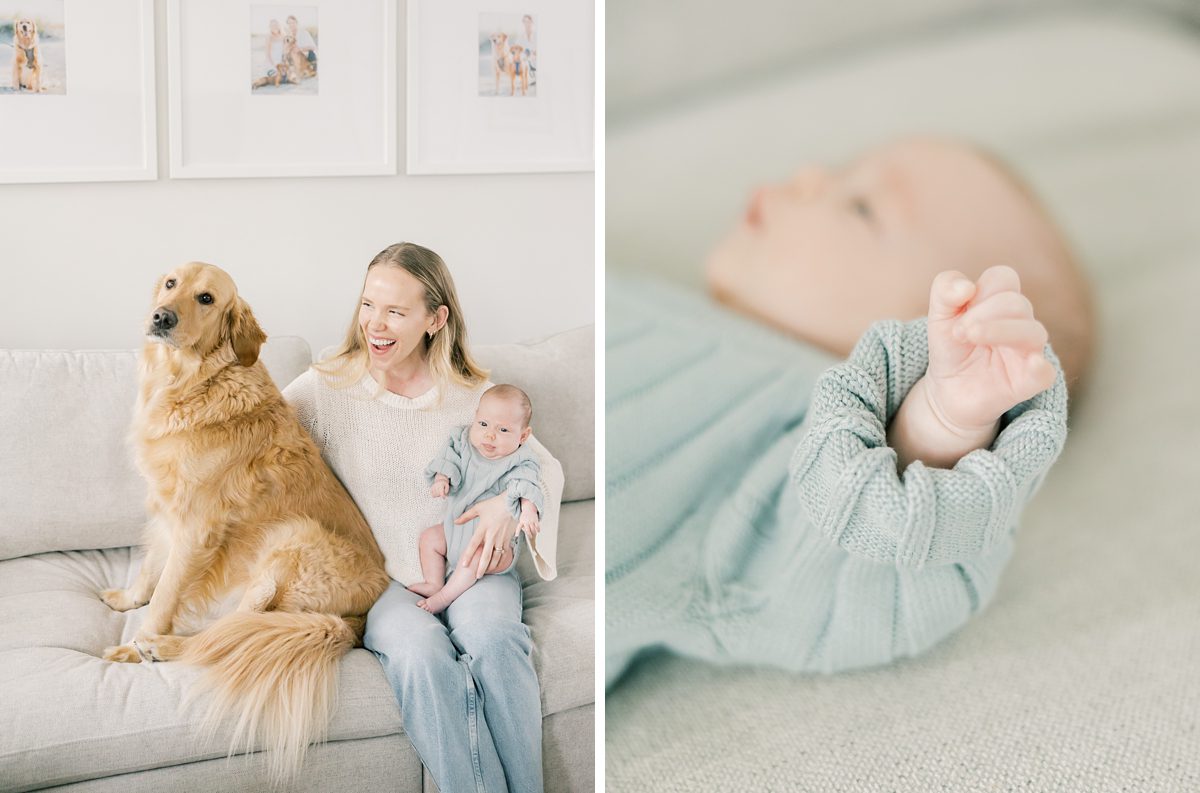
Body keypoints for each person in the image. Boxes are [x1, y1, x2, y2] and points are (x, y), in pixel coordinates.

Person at [606, 137, 1094, 687]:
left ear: (926, 337)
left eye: (861, 206)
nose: (810, 173)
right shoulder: (657, 297)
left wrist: (941, 421)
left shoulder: (805, 433)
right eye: (842, 173)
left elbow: (861, 546)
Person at [283, 243, 562, 792]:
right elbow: (259, 438)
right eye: (368, 305)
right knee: (420, 658)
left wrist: (507, 508)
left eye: (395, 311)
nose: (375, 324)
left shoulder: (473, 395)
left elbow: (543, 466)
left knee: (495, 640)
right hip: (381, 579)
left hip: (473, 565)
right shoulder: (326, 387)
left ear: (437, 319)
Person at [412, 384, 543, 614]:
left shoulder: (520, 460)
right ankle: (434, 582)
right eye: (483, 424)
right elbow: (448, 458)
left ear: (523, 436)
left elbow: (527, 485)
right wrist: (442, 478)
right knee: (429, 538)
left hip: (493, 546)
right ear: (475, 418)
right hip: (454, 531)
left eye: (503, 430)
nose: (490, 435)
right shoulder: (462, 440)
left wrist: (529, 511)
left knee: (476, 557)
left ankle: (444, 597)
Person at [251, 19, 285, 89]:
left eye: (275, 25)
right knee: (273, 77)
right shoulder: (269, 37)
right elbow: (267, 54)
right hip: (271, 62)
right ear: (270, 27)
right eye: (272, 26)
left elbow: (285, 51)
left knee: (284, 77)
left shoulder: (283, 35)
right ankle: (255, 84)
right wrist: (274, 65)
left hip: (281, 62)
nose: (274, 27)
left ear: (279, 26)